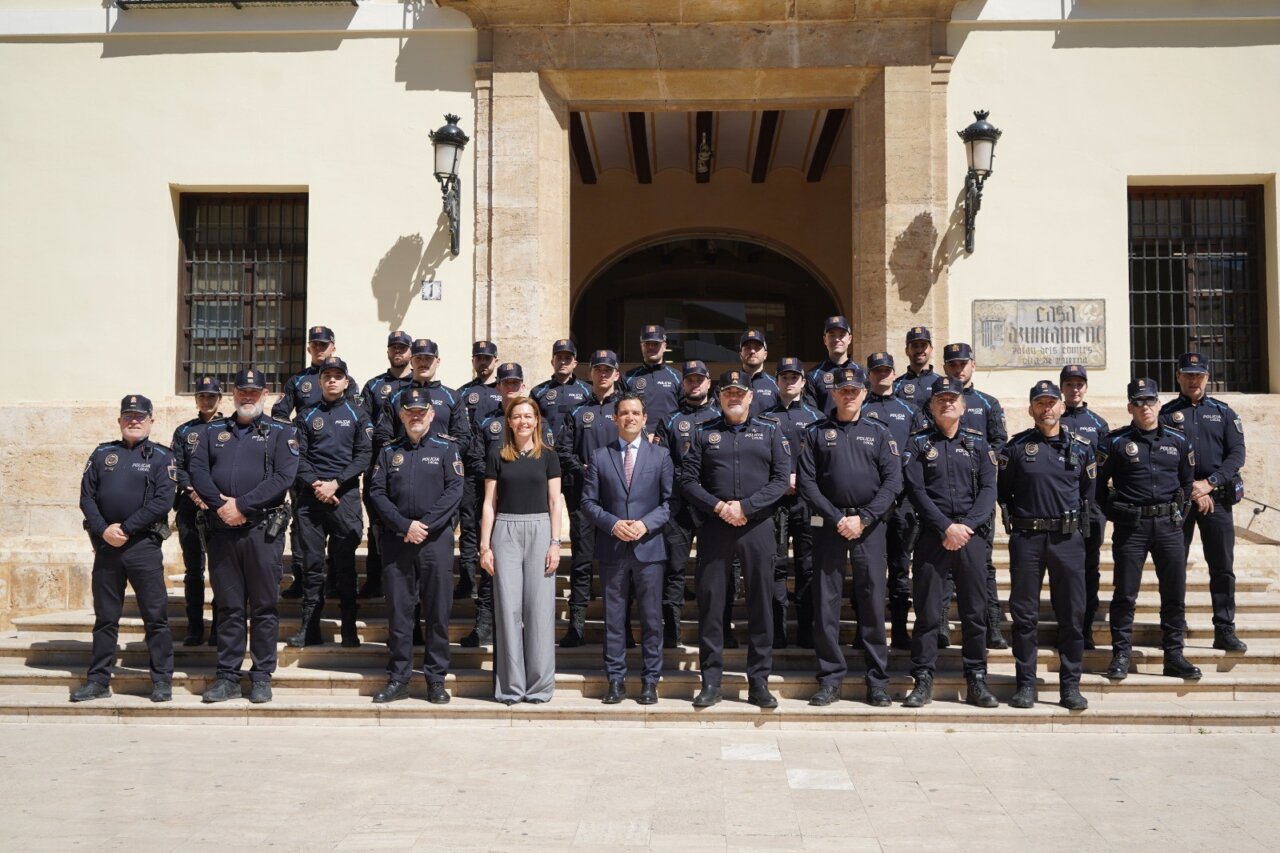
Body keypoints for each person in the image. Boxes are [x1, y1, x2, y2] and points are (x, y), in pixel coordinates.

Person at [188, 367, 300, 704]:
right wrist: (220, 507)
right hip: (222, 531)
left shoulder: (281, 433)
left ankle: (262, 675)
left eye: (254, 391)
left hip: (263, 531)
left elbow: (284, 477)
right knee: (229, 607)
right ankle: (227, 676)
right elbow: (197, 470)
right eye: (242, 391)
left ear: (265, 395)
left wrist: (243, 506)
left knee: (264, 607)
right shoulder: (213, 433)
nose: (247, 396)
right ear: (233, 395)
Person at [680, 370, 790, 708]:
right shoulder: (703, 434)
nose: (734, 397)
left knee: (760, 604)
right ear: (719, 396)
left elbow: (781, 478)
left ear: (751, 396)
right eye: (728, 392)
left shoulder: (770, 432)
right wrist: (718, 506)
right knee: (712, 604)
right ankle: (711, 682)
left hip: (757, 527)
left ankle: (759, 681)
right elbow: (687, 479)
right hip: (715, 526)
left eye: (739, 392)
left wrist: (746, 506)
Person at [797, 366, 902, 708]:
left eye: (854, 390)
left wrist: (865, 518)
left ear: (864, 393)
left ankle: (877, 680)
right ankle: (829, 679)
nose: (848, 394)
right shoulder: (815, 433)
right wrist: (837, 518)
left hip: (870, 528)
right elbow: (808, 482)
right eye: (842, 390)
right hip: (828, 526)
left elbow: (892, 481)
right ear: (833, 393)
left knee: (872, 603)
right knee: (826, 605)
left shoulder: (879, 433)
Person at [901, 377, 999, 709]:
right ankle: (923, 677)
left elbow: (988, 490)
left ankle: (976, 678)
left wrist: (966, 527)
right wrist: (945, 526)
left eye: (952, 398)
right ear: (930, 406)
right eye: (940, 399)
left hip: (970, 538)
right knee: (928, 612)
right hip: (932, 536)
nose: (947, 403)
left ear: (963, 405)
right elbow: (916, 490)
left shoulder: (978, 443)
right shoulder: (917, 444)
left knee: (974, 613)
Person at [71, 395, 176, 703]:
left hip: (143, 546)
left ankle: (161, 680)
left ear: (151, 421)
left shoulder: (161, 456)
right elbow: (86, 497)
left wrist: (126, 528)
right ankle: (98, 680)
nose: (134, 420)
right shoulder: (103, 453)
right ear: (119, 420)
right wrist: (104, 529)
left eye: (140, 416)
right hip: (107, 548)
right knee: (105, 617)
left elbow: (162, 501)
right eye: (128, 415)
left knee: (155, 617)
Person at [997, 381, 1092, 711]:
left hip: (1068, 540)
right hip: (1027, 540)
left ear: (1062, 407)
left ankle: (1070, 686)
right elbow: (1003, 491)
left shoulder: (1081, 448)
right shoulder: (1017, 448)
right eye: (1040, 403)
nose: (1047, 408)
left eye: (1052, 402)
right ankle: (1025, 684)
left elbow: (1087, 493)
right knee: (1024, 615)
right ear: (1031, 409)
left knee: (1071, 615)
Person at [1099, 378, 1201, 681]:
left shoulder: (1179, 441)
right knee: (1126, 593)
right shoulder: (1115, 442)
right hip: (1132, 527)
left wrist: (1177, 517)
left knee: (1174, 593)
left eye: (1150, 401)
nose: (1145, 407)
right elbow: (1097, 487)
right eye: (1139, 402)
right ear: (1130, 406)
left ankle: (1174, 654)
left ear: (1159, 404)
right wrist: (1114, 513)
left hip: (1168, 527)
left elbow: (1186, 483)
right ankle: (1121, 654)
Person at [367, 388, 465, 704]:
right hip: (397, 542)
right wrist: (403, 525)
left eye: (422, 411)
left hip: (434, 542)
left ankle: (435, 680)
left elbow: (454, 491)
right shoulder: (387, 451)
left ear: (432, 415)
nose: (416, 416)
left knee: (437, 613)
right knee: (399, 613)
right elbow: (377, 493)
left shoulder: (447, 449)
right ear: (402, 415)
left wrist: (424, 526)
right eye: (410, 411)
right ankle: (399, 679)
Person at [581, 393, 673, 705]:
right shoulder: (599, 456)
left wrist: (645, 524)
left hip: (649, 549)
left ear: (645, 418)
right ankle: (616, 681)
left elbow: (669, 502)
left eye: (636, 413)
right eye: (624, 413)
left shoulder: (660, 456)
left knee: (650, 619)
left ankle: (650, 681)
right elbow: (588, 502)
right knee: (614, 619)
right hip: (613, 548)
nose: (630, 417)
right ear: (615, 419)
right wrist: (612, 524)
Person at [1159, 352, 1248, 653]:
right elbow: (1159, 458)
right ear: (1178, 377)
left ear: (1208, 377)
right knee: (1174, 567)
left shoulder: (1224, 413)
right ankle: (1173, 630)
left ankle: (1224, 629)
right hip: (1180, 501)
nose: (1193, 380)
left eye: (1199, 375)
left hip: (1217, 500)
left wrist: (1209, 484)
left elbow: (1236, 456)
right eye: (1188, 374)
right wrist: (1192, 490)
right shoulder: (1165, 414)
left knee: (1222, 567)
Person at [480, 397, 563, 704]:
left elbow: (555, 503)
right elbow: (489, 503)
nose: (524, 421)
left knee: (539, 611)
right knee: (508, 610)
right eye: (518, 416)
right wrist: (485, 546)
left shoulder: (549, 456)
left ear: (537, 421)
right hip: (506, 531)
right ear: (510, 422)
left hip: (541, 530)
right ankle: (511, 687)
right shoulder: (498, 455)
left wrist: (556, 543)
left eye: (529, 416)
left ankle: (540, 687)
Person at [464, 363, 552, 647]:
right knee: (492, 572)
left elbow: (545, 463)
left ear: (523, 386)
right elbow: (476, 457)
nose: (511, 388)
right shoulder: (487, 422)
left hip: (527, 510)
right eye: (506, 383)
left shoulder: (538, 423)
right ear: (498, 387)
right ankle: (485, 624)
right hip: (495, 503)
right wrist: (499, 477)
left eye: (516, 383)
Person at [289, 356, 372, 648]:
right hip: (311, 500)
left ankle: (348, 629)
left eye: (338, 376)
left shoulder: (358, 414)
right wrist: (316, 484)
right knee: (312, 566)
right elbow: (297, 456)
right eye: (327, 376)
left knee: (345, 566)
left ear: (346, 381)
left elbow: (364, 455)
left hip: (344, 497)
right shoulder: (307, 415)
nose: (333, 380)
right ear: (320, 381)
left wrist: (335, 483)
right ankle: (309, 628)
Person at [941, 342, 1009, 650]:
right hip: (943, 495)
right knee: (942, 563)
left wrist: (977, 461)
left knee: (983, 564)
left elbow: (1000, 444)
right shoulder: (938, 401)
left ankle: (991, 625)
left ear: (973, 365)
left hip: (977, 498)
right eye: (953, 364)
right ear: (945, 367)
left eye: (963, 363)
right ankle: (941, 624)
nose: (958, 368)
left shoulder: (988, 403)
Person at [555, 350, 621, 648]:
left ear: (617, 374)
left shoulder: (626, 410)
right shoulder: (578, 412)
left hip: (619, 502)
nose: (603, 375)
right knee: (582, 564)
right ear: (590, 374)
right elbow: (564, 450)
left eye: (608, 370)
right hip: (585, 500)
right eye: (598, 370)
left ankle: (620, 630)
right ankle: (577, 627)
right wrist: (583, 469)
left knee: (618, 566)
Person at [654, 359, 721, 648]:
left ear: (708, 383)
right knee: (674, 570)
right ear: (683, 384)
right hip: (678, 507)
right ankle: (673, 631)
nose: (694, 383)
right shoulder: (669, 420)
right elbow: (660, 462)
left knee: (715, 571)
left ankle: (720, 630)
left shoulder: (720, 416)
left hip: (713, 507)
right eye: (689, 379)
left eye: (699, 379)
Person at [864, 351, 927, 649]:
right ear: (870, 375)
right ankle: (867, 633)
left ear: (893, 372)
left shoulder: (910, 408)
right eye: (877, 371)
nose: (883, 375)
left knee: (901, 569)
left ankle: (900, 630)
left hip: (902, 504)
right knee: (868, 571)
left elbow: (919, 451)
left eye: (887, 370)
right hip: (870, 502)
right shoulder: (860, 408)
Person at [764, 357, 823, 648]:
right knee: (775, 566)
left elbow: (823, 461)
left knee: (807, 566)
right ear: (777, 381)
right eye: (784, 376)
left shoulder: (816, 418)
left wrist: (799, 477)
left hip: (807, 502)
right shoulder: (762, 418)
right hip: (774, 503)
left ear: (802, 381)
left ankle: (807, 631)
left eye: (794, 377)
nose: (790, 381)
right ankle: (777, 631)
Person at [357, 330, 416, 600]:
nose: (398, 352)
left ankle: (408, 581)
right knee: (378, 524)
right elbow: (364, 423)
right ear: (388, 351)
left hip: (412, 466)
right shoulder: (373, 386)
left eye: (403, 348)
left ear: (411, 353)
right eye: (394, 347)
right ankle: (374, 579)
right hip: (380, 465)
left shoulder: (419, 386)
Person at [1058, 363, 1110, 649]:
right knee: (1064, 572)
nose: (1074, 389)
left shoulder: (1098, 424)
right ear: (1062, 388)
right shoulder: (1054, 417)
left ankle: (1085, 629)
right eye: (1069, 384)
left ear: (1085, 387)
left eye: (1079, 384)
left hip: (1090, 510)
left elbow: (1105, 469)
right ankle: (1065, 627)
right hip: (1060, 509)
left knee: (1089, 571)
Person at [171, 376, 223, 647]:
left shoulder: (230, 427)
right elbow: (176, 466)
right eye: (202, 396)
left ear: (220, 399)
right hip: (191, 507)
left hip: (220, 508)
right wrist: (192, 491)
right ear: (196, 400)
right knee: (194, 571)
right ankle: (194, 628)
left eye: (211, 396)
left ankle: (218, 628)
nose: (206, 400)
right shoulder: (184, 432)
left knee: (220, 570)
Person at [457, 340, 504, 602]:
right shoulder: (462, 393)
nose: (483, 363)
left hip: (501, 475)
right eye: (479, 358)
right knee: (469, 528)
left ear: (495, 361)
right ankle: (466, 580)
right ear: (473, 361)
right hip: (470, 472)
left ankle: (491, 578)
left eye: (488, 358)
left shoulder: (505, 392)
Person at [374, 338, 471, 450]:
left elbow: (462, 437)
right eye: (418, 358)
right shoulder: (395, 396)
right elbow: (382, 434)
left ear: (438, 361)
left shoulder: (453, 397)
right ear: (411, 361)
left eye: (428, 358)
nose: (423, 363)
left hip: (440, 464)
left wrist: (443, 457)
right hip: (402, 462)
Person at [622, 325, 682, 432]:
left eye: (656, 344)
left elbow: (685, 412)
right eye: (647, 344)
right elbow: (621, 411)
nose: (651, 347)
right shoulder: (628, 378)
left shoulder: (677, 377)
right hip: (638, 440)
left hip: (669, 439)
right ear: (641, 346)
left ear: (664, 346)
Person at [530, 338, 592, 428]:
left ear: (575, 363)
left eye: (567, 358)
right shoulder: (538, 391)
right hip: (547, 442)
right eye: (559, 357)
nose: (563, 362)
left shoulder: (588, 390)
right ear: (552, 362)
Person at [805, 315, 854, 416]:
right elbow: (810, 412)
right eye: (832, 335)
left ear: (849, 339)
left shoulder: (861, 373)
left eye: (842, 335)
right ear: (825, 340)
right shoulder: (813, 375)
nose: (837, 339)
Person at [893, 326, 938, 409]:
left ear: (931, 349)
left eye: (923, 345)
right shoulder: (896, 385)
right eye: (914, 346)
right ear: (906, 350)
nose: (919, 350)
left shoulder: (940, 382)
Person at [738, 329, 780, 417]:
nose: (752, 351)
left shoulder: (776, 385)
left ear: (765, 355)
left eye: (757, 348)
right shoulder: (727, 384)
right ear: (740, 355)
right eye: (748, 347)